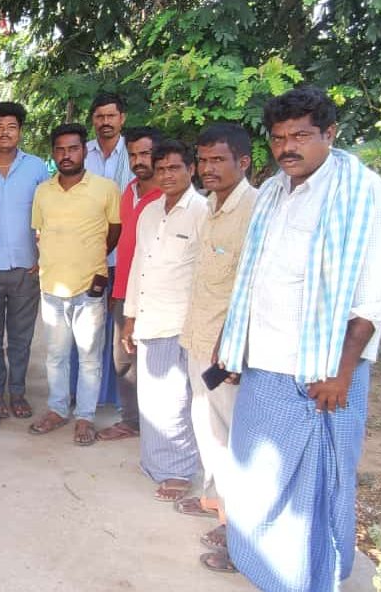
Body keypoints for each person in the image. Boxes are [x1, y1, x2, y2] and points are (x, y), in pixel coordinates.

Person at [211, 86, 381, 586]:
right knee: (257, 472)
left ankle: (304, 576)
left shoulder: (364, 193)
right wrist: (233, 341)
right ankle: (257, 561)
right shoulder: (274, 190)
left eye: (301, 136)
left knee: (313, 482)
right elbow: (253, 276)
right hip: (266, 361)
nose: (287, 147)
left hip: (322, 372)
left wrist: (341, 373)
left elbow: (372, 299)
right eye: (278, 138)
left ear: (329, 134)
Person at [172, 124, 258, 560]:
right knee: (205, 422)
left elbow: (250, 286)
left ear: (243, 162)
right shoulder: (210, 205)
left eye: (218, 160)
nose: (207, 168)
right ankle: (213, 498)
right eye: (203, 160)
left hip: (225, 348)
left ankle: (235, 524)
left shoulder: (253, 210)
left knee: (228, 432)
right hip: (198, 335)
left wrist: (232, 346)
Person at [121, 140, 207, 502]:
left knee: (175, 400)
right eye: (161, 169)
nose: (167, 175)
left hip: (180, 321)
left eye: (174, 168)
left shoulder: (202, 211)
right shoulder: (150, 212)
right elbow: (138, 266)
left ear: (191, 169)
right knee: (152, 399)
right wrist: (130, 318)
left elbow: (207, 274)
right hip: (148, 318)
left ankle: (179, 471)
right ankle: (157, 464)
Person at [28, 123, 120, 446]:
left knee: (89, 357)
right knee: (55, 356)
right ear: (53, 154)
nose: (66, 155)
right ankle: (57, 410)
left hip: (89, 288)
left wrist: (90, 259)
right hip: (52, 288)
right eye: (60, 149)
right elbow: (39, 232)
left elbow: (114, 232)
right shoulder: (43, 191)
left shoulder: (106, 189)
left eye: (73, 148)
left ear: (84, 151)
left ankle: (85, 417)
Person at [0, 102, 50, 420]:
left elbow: (49, 216)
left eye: (11, 127)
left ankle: (17, 393)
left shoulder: (37, 168)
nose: (5, 132)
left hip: (26, 266)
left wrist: (44, 256)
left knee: (20, 337)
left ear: (20, 131)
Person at [97, 127, 164, 441]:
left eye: (145, 154)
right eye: (133, 154)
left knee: (157, 365)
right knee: (123, 360)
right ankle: (132, 421)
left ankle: (161, 429)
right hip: (125, 292)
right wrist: (118, 290)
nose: (139, 161)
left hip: (157, 296)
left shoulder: (169, 197)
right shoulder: (129, 191)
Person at [86, 92, 132, 270]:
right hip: (88, 253)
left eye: (111, 116)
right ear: (93, 120)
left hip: (127, 252)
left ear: (122, 118)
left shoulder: (135, 153)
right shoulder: (81, 153)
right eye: (100, 117)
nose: (105, 122)